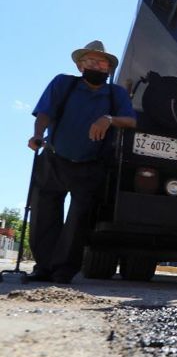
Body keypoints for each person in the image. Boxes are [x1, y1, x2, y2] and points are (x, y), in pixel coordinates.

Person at [27, 40, 137, 284]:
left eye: (102, 63)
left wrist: (109, 118)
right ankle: (43, 267)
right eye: (91, 61)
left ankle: (63, 271)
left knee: (78, 220)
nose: (96, 66)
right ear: (80, 66)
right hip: (54, 158)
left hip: (90, 164)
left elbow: (130, 121)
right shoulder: (63, 84)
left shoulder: (115, 93)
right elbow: (45, 112)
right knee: (44, 213)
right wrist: (37, 134)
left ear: (108, 69)